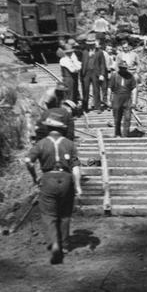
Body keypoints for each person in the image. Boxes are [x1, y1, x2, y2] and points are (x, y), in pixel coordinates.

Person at [24, 110, 82, 265]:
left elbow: (28, 161)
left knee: (49, 214)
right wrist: (77, 186)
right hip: (66, 179)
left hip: (48, 179)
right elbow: (76, 168)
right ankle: (64, 245)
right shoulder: (69, 144)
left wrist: (34, 176)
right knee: (65, 213)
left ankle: (54, 243)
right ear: (62, 128)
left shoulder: (41, 144)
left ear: (48, 128)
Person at [108, 60, 136, 137]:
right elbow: (110, 88)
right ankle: (117, 133)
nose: (123, 70)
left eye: (124, 68)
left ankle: (125, 134)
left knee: (127, 117)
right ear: (119, 68)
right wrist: (109, 100)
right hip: (117, 97)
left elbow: (134, 88)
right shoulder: (114, 75)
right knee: (117, 117)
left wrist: (134, 101)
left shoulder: (130, 76)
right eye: (121, 68)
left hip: (127, 98)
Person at [80, 35, 107, 112]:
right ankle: (85, 108)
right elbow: (82, 63)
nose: (90, 45)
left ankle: (98, 107)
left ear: (94, 44)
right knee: (85, 90)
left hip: (95, 73)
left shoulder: (100, 52)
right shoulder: (85, 52)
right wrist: (81, 74)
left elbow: (102, 64)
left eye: (92, 44)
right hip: (86, 73)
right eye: (89, 44)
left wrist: (102, 74)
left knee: (96, 90)